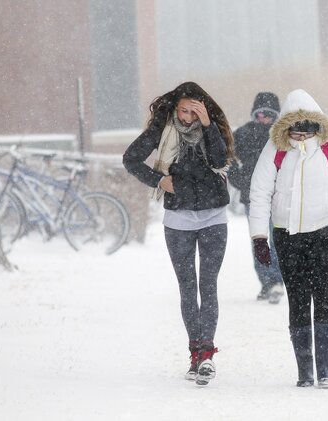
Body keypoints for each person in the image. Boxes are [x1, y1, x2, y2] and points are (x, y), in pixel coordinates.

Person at [249, 89, 328, 389]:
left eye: (308, 130)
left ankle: (325, 369)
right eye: (296, 130)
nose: (301, 137)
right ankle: (305, 370)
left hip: (325, 233)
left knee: (324, 296)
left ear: (317, 127)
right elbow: (260, 193)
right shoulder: (274, 151)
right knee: (298, 300)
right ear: (285, 128)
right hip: (287, 236)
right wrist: (259, 237)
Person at [122, 81, 234, 387]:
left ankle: (207, 354)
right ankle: (195, 354)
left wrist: (209, 125)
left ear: (203, 110)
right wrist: (159, 180)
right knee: (188, 287)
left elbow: (220, 161)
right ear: (175, 109)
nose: (187, 117)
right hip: (178, 220)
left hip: (213, 217)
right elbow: (130, 159)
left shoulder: (212, 128)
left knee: (208, 285)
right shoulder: (162, 130)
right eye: (183, 110)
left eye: (193, 112)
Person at [227, 92, 285, 304]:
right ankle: (268, 283)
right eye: (259, 114)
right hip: (253, 198)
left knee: (277, 240)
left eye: (268, 115)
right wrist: (241, 181)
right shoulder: (242, 134)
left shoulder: (283, 135)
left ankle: (276, 281)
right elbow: (229, 159)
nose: (263, 119)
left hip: (279, 197)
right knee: (259, 241)